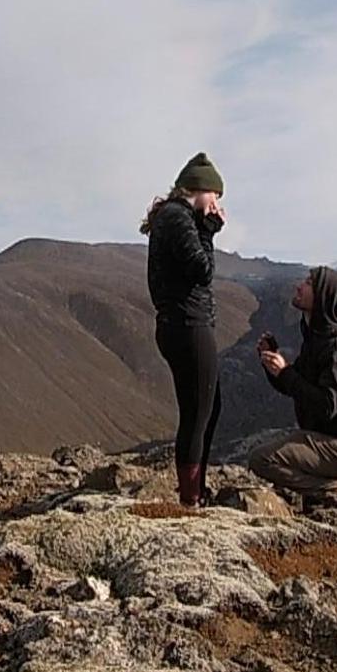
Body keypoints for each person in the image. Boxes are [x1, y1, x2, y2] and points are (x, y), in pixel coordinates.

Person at [250, 265, 337, 511]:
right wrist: (274, 365)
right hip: (329, 442)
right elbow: (296, 387)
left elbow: (326, 405)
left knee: (261, 459)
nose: (300, 286)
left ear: (323, 299)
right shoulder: (318, 341)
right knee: (268, 455)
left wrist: (286, 372)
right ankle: (329, 487)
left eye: (309, 283)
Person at [141, 152, 226, 507]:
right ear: (202, 189)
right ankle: (190, 499)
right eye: (216, 196)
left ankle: (195, 491)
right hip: (188, 326)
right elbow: (201, 270)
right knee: (198, 412)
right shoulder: (178, 218)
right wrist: (208, 232)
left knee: (207, 406)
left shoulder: (173, 216)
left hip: (183, 325)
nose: (217, 204)